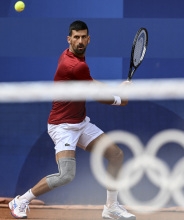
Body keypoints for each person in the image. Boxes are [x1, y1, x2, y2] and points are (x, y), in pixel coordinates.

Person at [9, 20, 136, 220]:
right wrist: (119, 100)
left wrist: (116, 90)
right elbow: (94, 93)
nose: (79, 41)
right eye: (75, 37)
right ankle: (21, 200)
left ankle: (111, 207)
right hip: (62, 126)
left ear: (88, 39)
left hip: (80, 122)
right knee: (66, 175)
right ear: (69, 39)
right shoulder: (73, 65)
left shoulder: (76, 62)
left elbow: (91, 82)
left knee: (116, 155)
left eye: (83, 37)